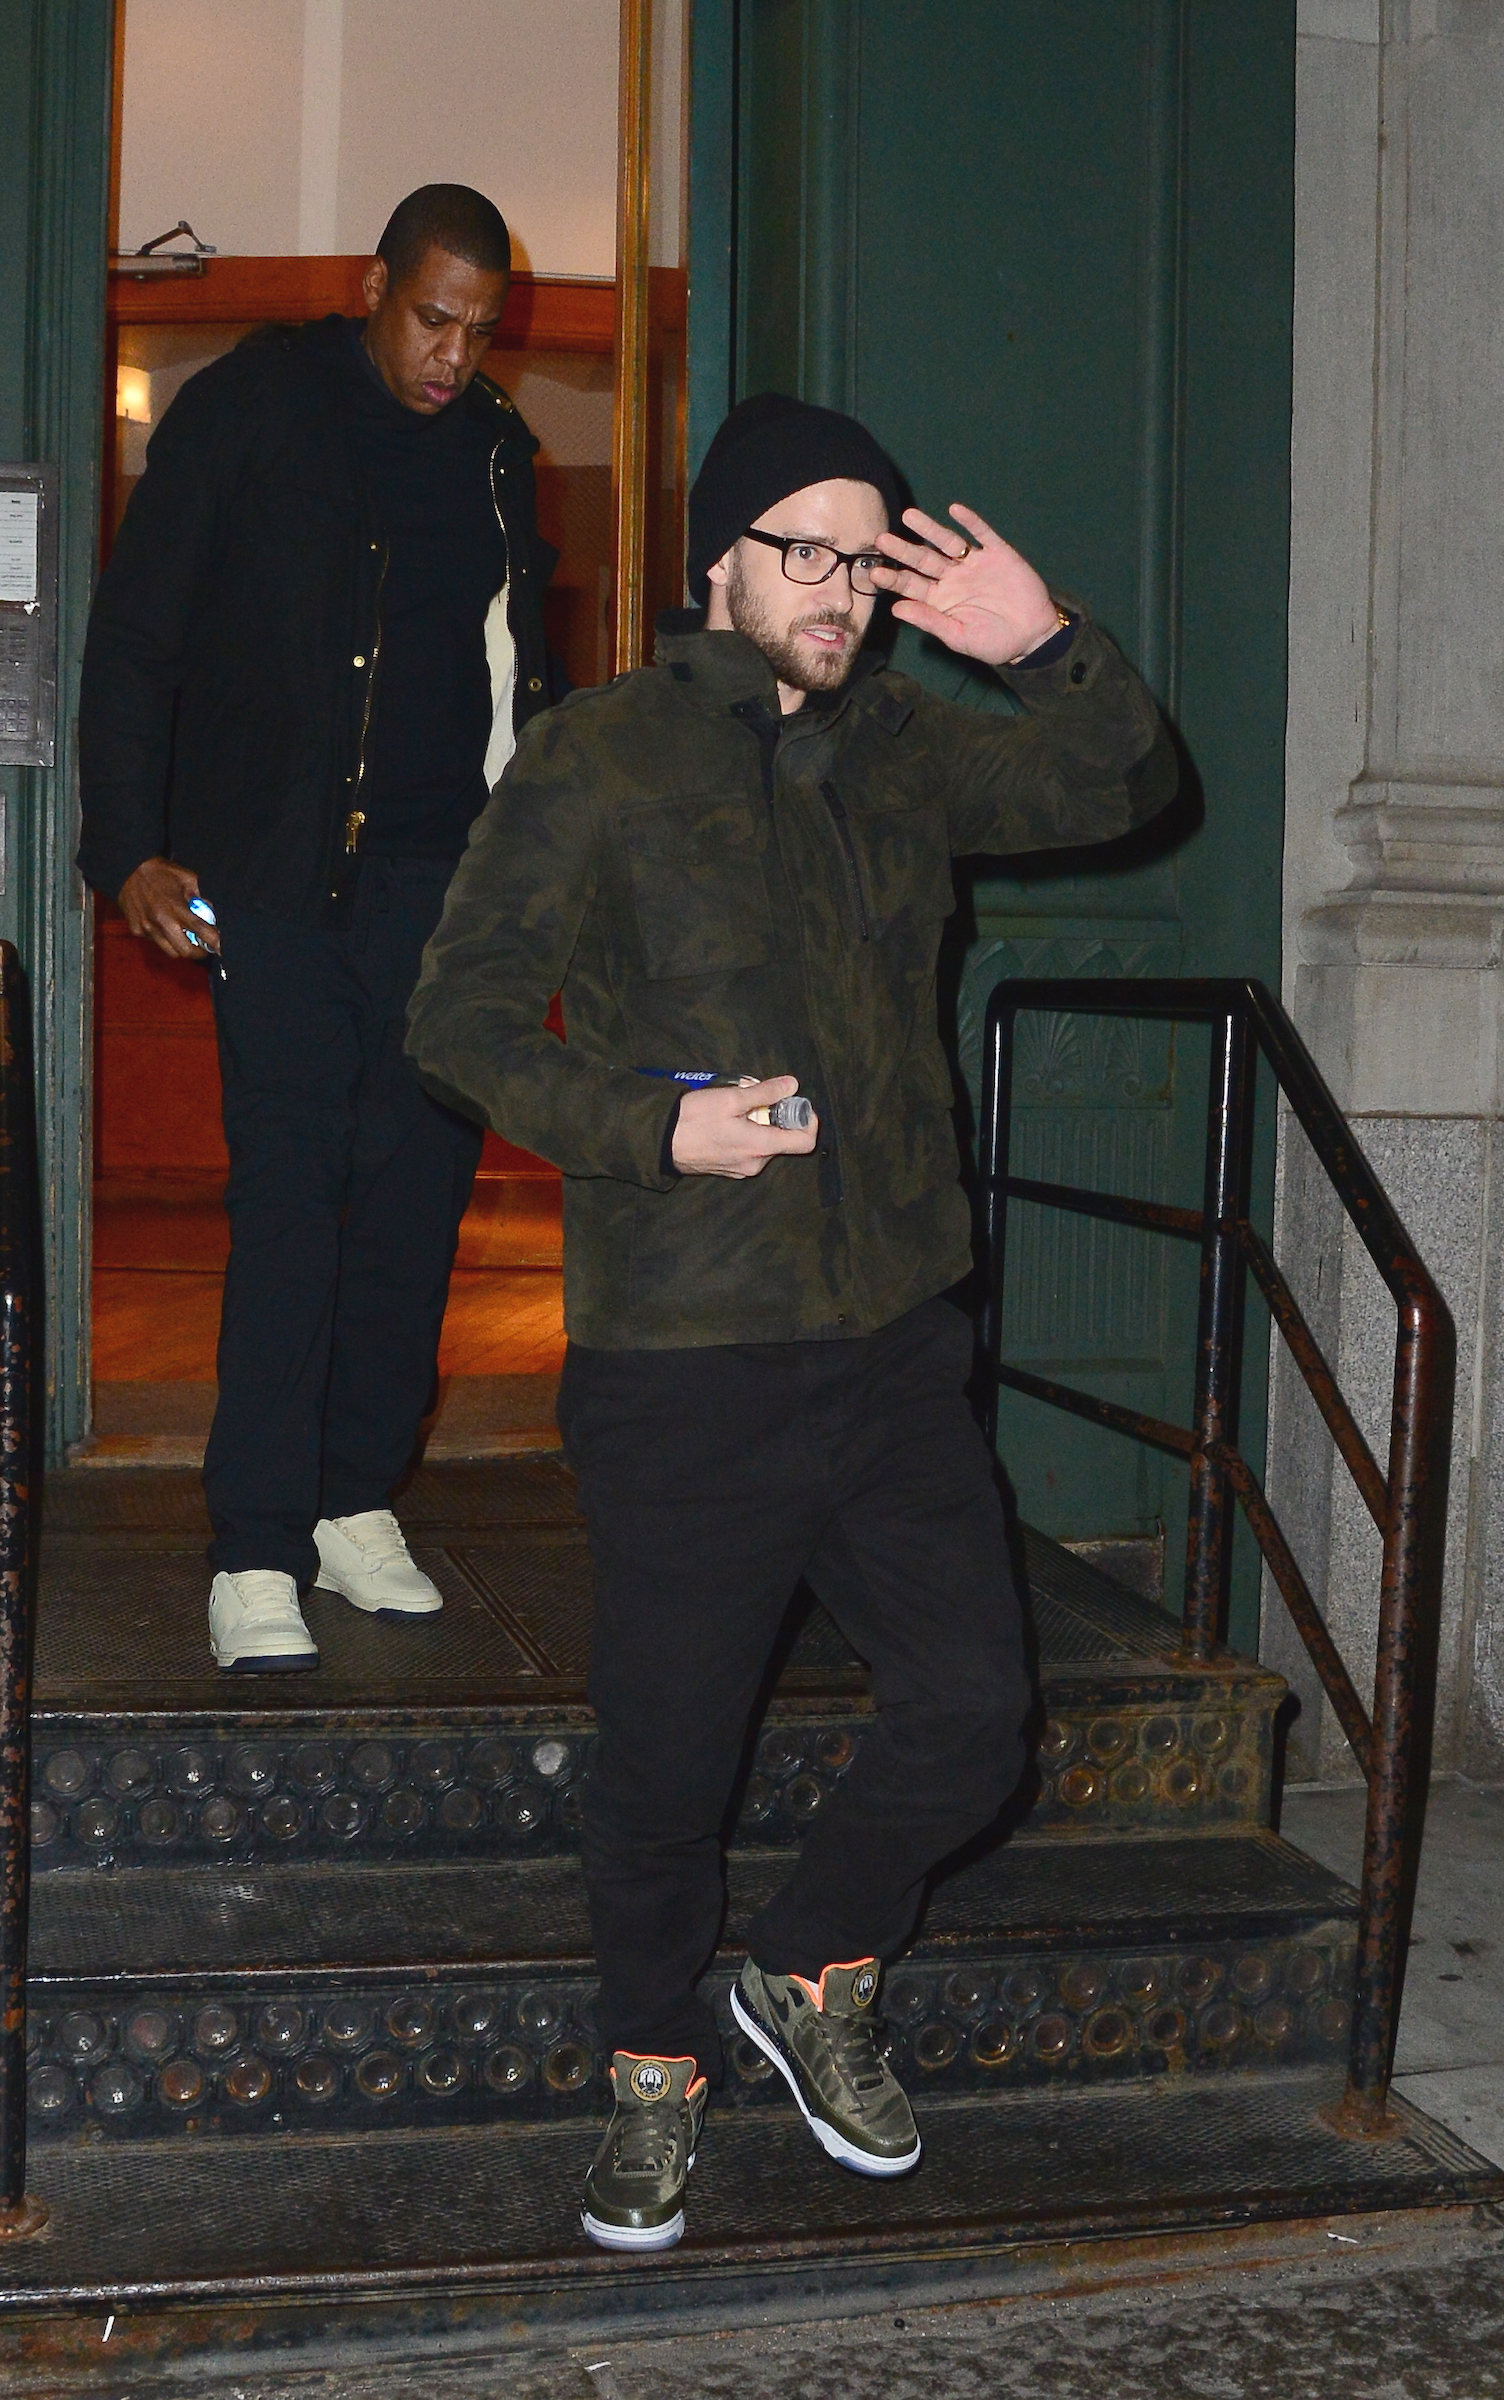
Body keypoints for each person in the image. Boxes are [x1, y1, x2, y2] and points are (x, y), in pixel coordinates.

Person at [406, 391, 1177, 2250]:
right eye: (806, 550)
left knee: (978, 1711)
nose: (840, 588)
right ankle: (652, 2073)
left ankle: (815, 1963)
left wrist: (1051, 648)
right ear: (720, 563)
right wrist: (649, 1126)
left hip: (900, 1335)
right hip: (690, 1354)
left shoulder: (911, 750)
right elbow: (459, 1017)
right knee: (671, 1758)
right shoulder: (602, 758)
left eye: (869, 554)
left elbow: (1129, 787)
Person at [79, 184, 560, 1675]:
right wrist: (127, 849)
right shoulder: (254, 409)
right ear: (375, 283)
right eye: (433, 315)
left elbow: (510, 672)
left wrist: (525, 865)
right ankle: (255, 1543)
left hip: (441, 892)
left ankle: (354, 1496)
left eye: (479, 328)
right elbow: (139, 634)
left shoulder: (494, 450)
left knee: (417, 1202)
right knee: (296, 1199)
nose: (453, 351)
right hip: (274, 883)